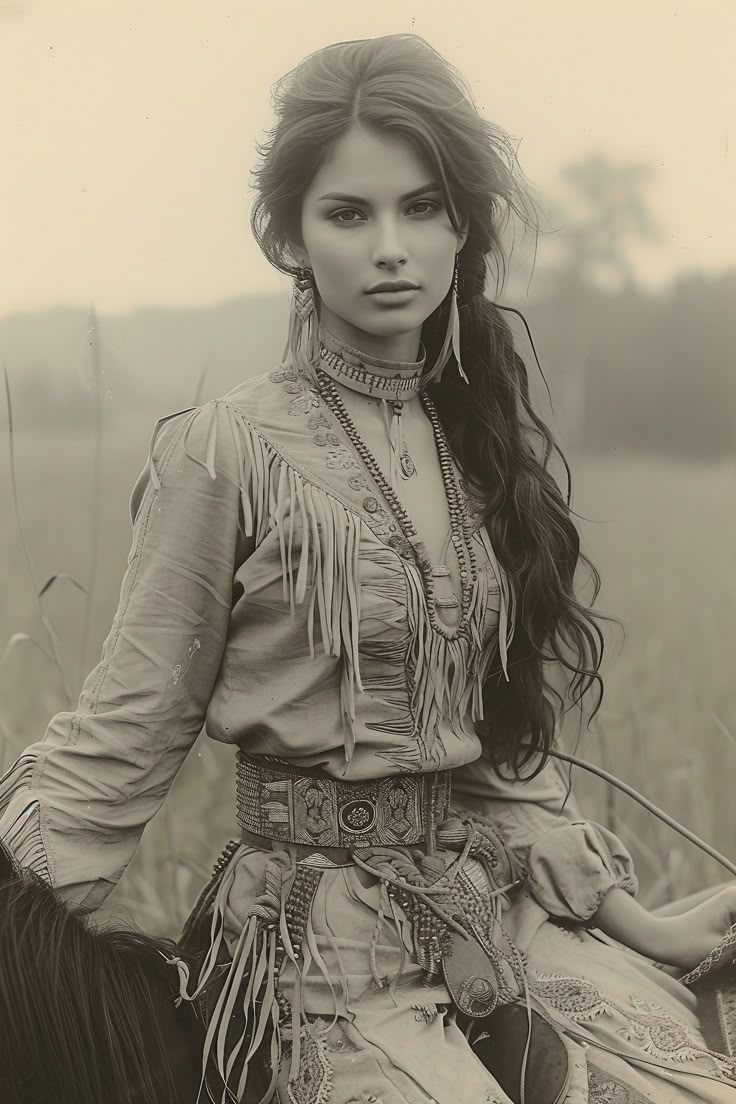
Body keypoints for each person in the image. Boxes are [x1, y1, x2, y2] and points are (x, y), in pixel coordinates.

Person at [1, 32, 734, 1104]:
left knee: (678, 1080)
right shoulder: (227, 448)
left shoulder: (474, 446)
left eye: (421, 207)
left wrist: (640, 923)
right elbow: (124, 735)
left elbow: (492, 761)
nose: (390, 247)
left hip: (485, 923)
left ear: (460, 227)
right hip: (313, 961)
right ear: (288, 236)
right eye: (348, 214)